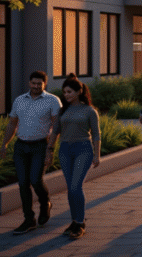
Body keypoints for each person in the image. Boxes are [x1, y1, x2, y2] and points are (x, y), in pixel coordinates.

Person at [0, 71, 61, 235]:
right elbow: (12, 124)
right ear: (29, 83)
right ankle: (29, 219)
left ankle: (45, 203)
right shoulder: (19, 100)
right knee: (23, 183)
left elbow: (56, 127)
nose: (35, 86)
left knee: (35, 180)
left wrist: (50, 149)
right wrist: (4, 144)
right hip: (21, 147)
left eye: (39, 84)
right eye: (33, 83)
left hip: (40, 146)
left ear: (45, 84)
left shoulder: (52, 101)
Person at [47, 74, 99, 240]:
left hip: (83, 149)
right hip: (65, 150)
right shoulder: (63, 110)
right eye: (64, 92)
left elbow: (97, 135)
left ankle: (80, 222)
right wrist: (50, 150)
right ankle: (74, 221)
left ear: (78, 92)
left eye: (69, 92)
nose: (66, 95)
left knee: (76, 186)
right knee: (70, 188)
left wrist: (97, 155)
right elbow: (55, 131)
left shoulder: (90, 111)